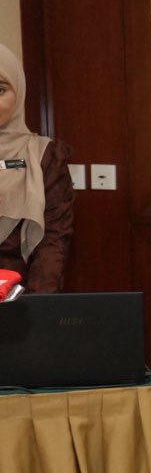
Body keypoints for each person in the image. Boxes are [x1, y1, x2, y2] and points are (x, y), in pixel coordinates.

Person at [0, 44, 75, 293]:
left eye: (0, 90)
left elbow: (53, 239)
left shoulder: (45, 156)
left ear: (19, 92)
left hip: (18, 296)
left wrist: (38, 304)